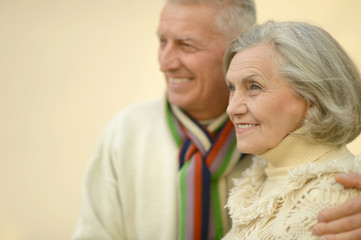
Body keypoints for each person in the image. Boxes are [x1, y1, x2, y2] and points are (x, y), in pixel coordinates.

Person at [72, 1, 361, 239]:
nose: (165, 62)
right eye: (162, 42)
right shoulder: (124, 134)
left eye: (186, 45)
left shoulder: (332, 184)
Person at [223, 20, 361, 239]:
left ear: (312, 99)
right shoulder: (258, 181)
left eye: (254, 87)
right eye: (232, 88)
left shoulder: (336, 197)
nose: (232, 108)